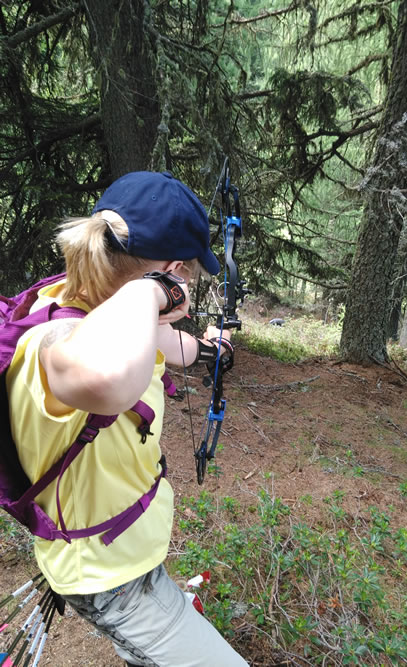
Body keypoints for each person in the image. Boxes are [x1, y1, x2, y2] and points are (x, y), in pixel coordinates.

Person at [6, 171, 249, 666]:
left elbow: (168, 344)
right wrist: (149, 293)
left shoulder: (102, 303)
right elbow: (110, 384)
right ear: (173, 272)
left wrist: (208, 350)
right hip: (108, 577)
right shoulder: (53, 343)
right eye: (184, 278)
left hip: (121, 552)